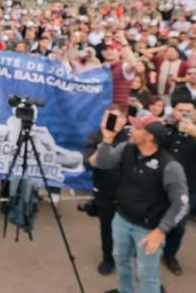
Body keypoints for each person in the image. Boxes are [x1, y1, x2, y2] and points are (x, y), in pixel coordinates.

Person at [88, 115, 189, 293]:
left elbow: (181, 204)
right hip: (121, 219)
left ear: (149, 136)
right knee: (121, 261)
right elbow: (103, 164)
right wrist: (107, 139)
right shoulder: (126, 148)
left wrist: (161, 231)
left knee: (147, 274)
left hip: (149, 230)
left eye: (136, 128)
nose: (131, 130)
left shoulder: (170, 167)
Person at [160, 100, 196, 275]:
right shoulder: (166, 130)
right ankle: (150, 248)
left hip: (189, 188)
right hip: (160, 186)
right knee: (154, 219)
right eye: (180, 110)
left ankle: (170, 254)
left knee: (178, 225)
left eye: (189, 111)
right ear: (173, 112)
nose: (184, 114)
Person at [83, 104, 129, 276]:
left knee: (129, 230)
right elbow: (89, 164)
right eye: (107, 117)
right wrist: (106, 140)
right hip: (105, 193)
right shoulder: (95, 137)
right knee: (107, 229)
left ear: (124, 120)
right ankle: (108, 259)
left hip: (129, 194)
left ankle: (127, 259)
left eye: (115, 118)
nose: (110, 121)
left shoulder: (132, 138)